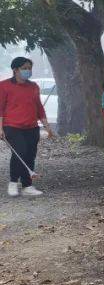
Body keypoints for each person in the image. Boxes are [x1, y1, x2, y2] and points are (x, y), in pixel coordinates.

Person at [0, 57, 54, 197]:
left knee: (30, 155)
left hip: (31, 127)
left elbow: (39, 108)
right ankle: (13, 182)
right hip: (11, 126)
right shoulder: (4, 86)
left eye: (29, 68)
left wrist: (47, 126)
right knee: (20, 152)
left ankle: (27, 186)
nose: (28, 71)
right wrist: (0, 128)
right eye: (24, 68)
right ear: (15, 70)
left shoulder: (34, 87)